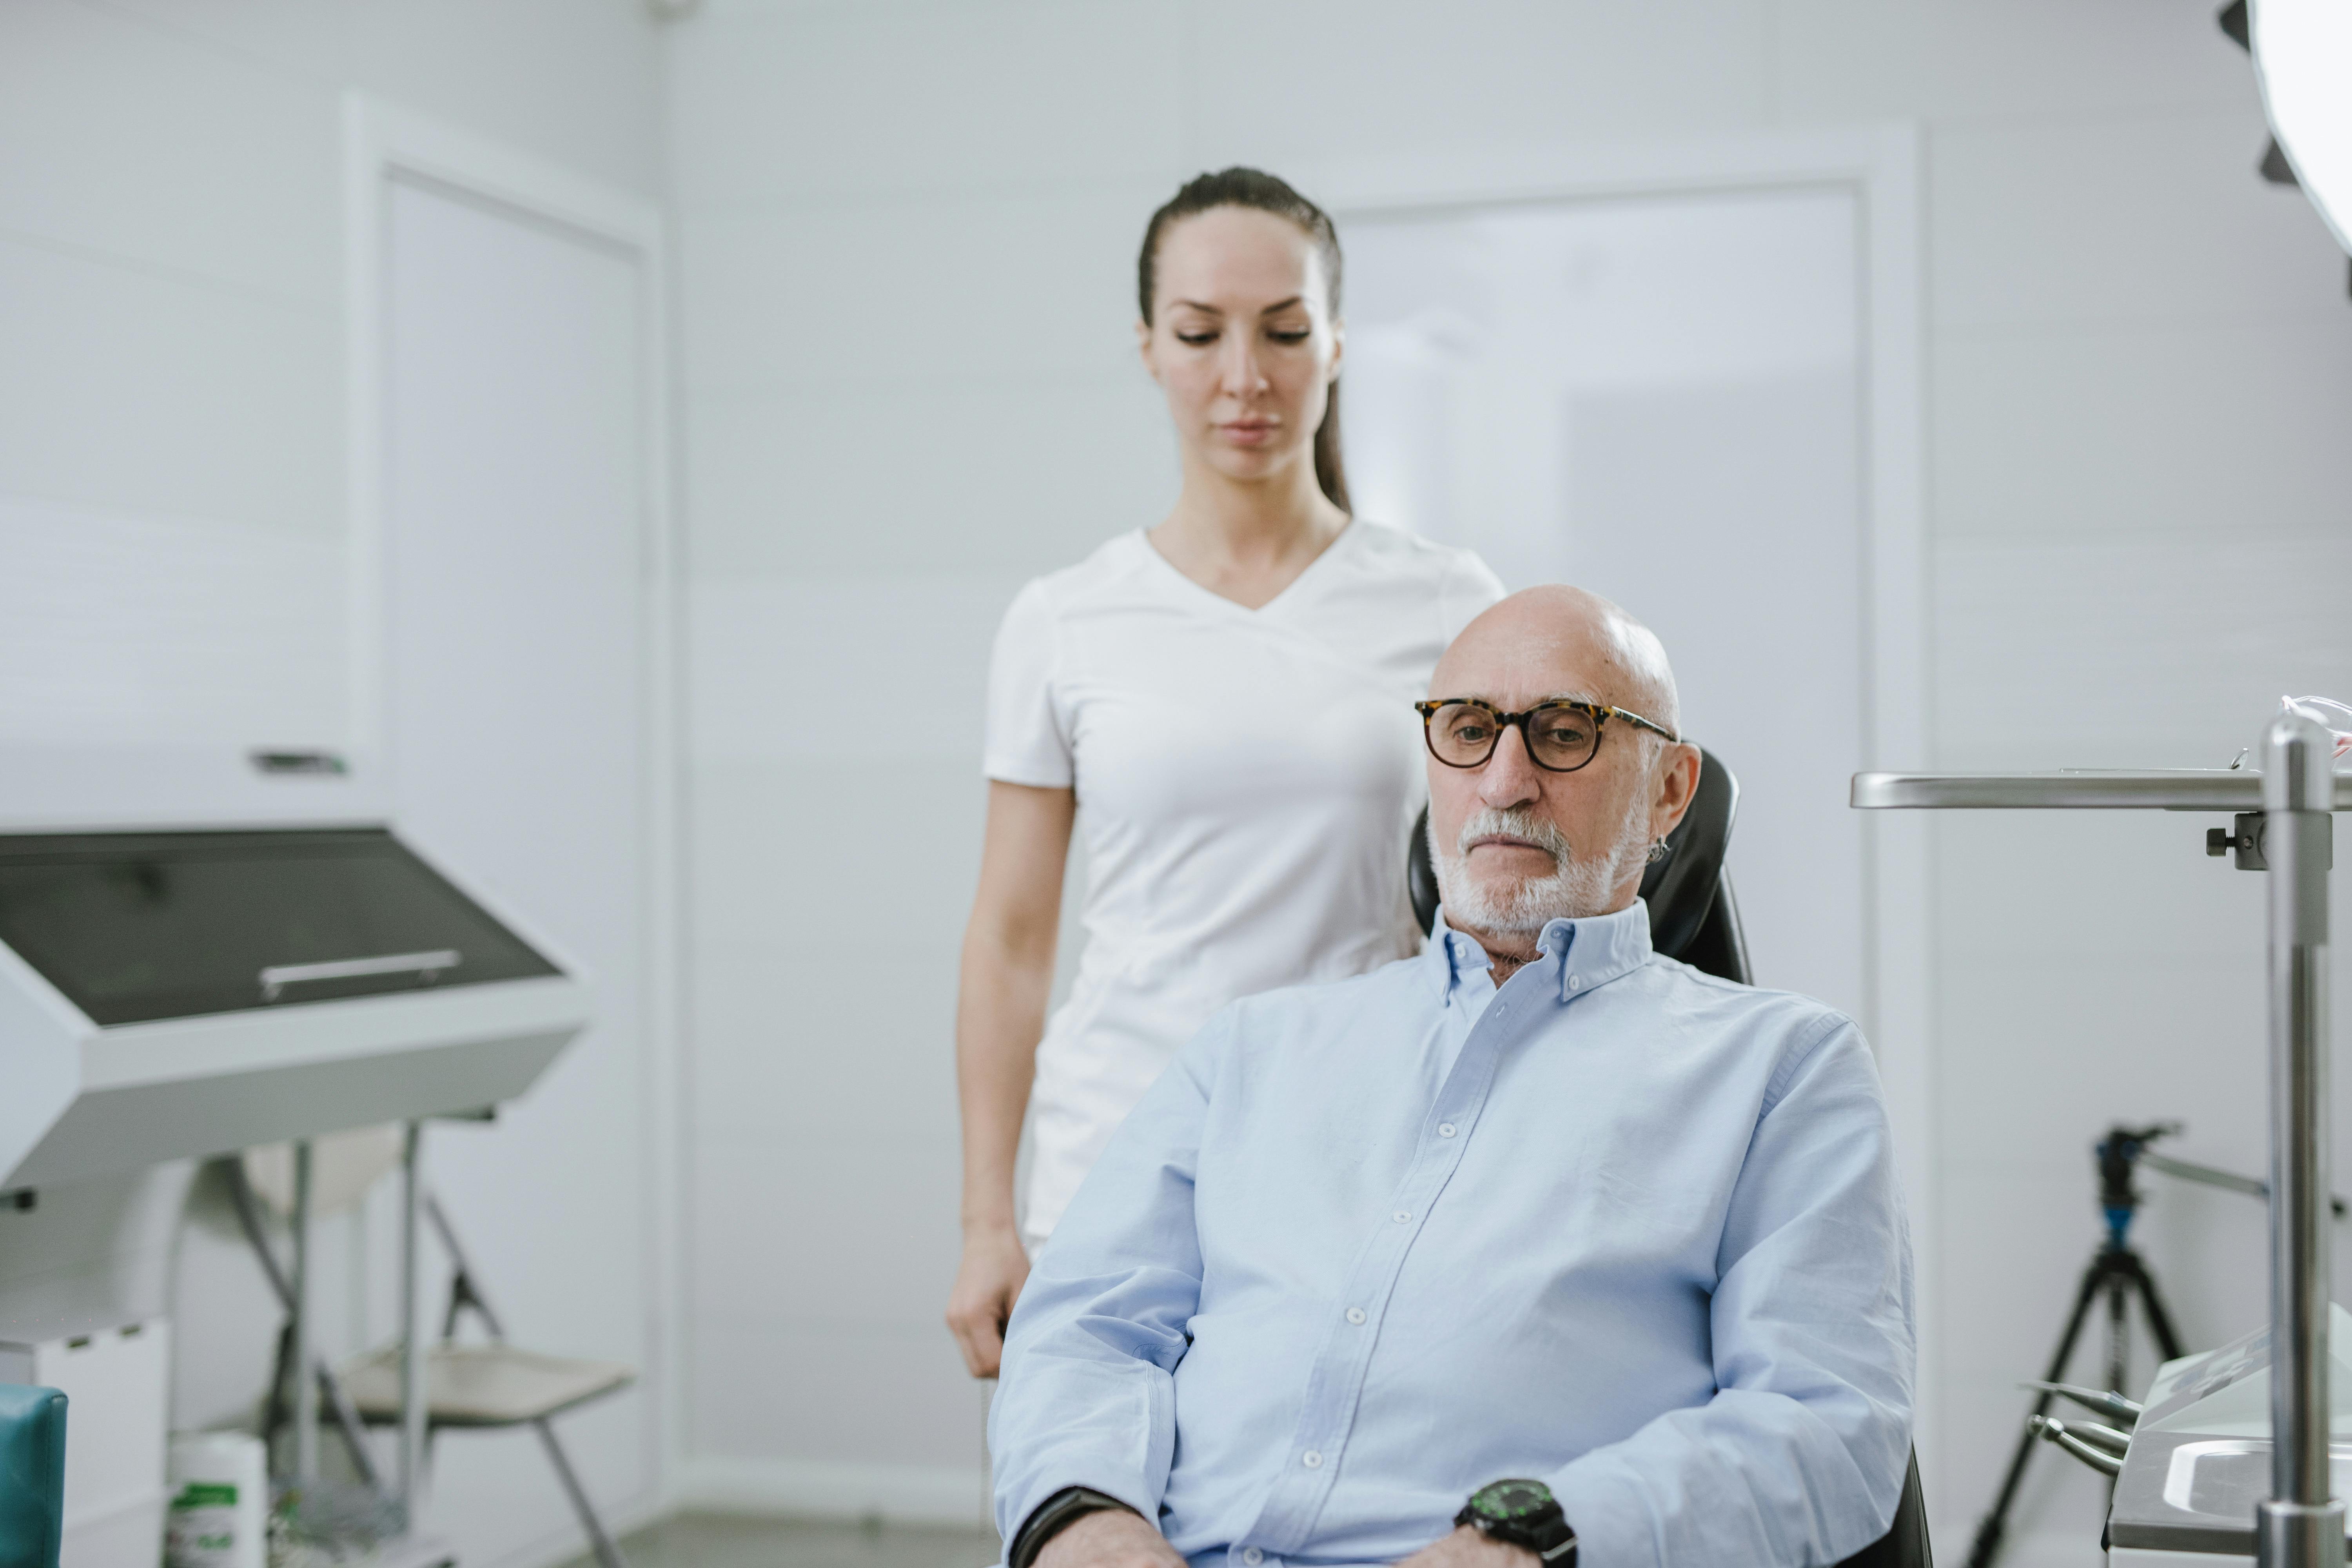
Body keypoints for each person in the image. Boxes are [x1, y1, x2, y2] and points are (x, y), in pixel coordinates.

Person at [987, 586, 1915, 1568]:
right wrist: (1089, 1524)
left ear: (1672, 789)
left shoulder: (1785, 1070)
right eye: (1469, 730)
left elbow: (1825, 1428)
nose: (1506, 780)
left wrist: (1523, 1543)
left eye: (1564, 732)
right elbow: (1086, 1328)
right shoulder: (1250, 1049)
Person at [947, 168, 1506, 1378]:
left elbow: (1509, 902)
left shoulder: (1449, 601)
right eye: (1201, 334)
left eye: (1285, 332)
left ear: (1339, 343)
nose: (1244, 377)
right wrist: (988, 1220)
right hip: (1116, 1159)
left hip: (1364, 1159)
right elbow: (1009, 939)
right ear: (1150, 347)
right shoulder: (1065, 618)